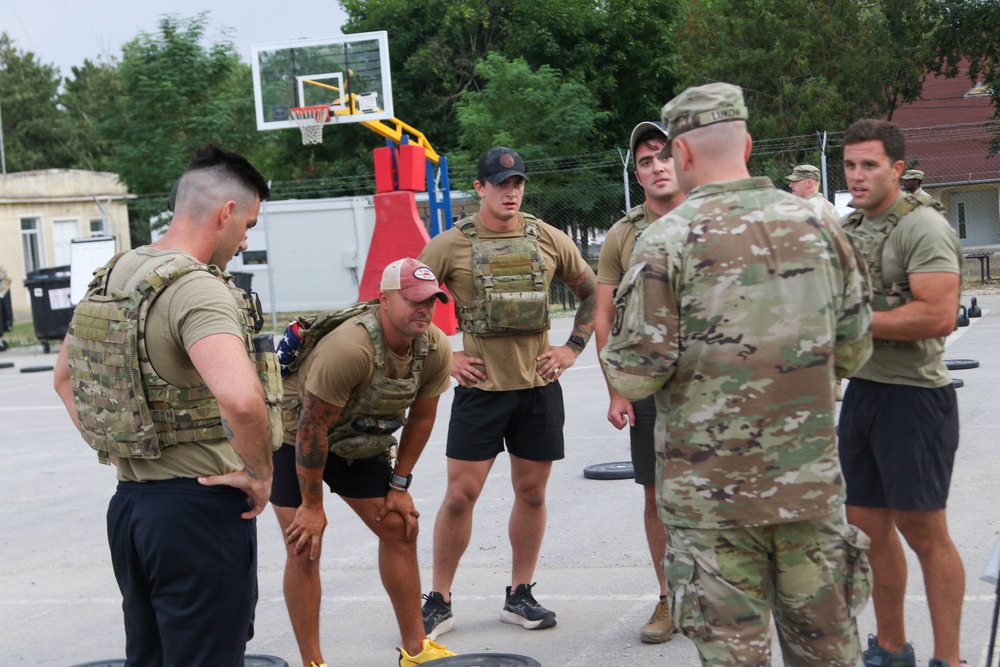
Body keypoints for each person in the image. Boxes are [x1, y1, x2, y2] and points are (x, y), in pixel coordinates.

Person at [600, 83, 874, 666]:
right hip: (809, 494)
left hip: (711, 511)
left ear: (682, 156)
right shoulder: (822, 228)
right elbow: (852, 352)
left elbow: (632, 372)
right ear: (747, 144)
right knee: (829, 656)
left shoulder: (663, 242)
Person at [53, 145, 282, 666]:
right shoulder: (197, 290)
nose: (245, 239)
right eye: (247, 224)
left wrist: (116, 446)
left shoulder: (113, 275)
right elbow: (243, 402)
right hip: (198, 513)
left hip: (132, 509)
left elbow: (64, 378)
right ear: (225, 213)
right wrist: (261, 474)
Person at [418, 146, 597, 638]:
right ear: (479, 189)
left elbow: (593, 290)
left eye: (516, 183)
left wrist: (572, 348)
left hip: (538, 388)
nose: (510, 192)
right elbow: (401, 303)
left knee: (533, 493)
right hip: (482, 391)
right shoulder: (450, 244)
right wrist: (446, 357)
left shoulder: (547, 238)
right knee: (460, 496)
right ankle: (439, 600)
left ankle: (520, 595)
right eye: (500, 184)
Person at [275, 257, 457, 667]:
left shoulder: (434, 346)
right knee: (305, 545)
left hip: (358, 439)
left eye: (431, 300)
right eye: (413, 300)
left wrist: (400, 486)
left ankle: (416, 650)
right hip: (296, 439)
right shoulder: (350, 348)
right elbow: (310, 430)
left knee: (400, 528)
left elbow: (423, 418)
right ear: (385, 301)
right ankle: (312, 662)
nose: (424, 309)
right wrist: (312, 506)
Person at [839, 119, 965, 667]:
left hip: (914, 397)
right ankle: (892, 647)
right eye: (849, 165)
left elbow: (938, 315)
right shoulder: (848, 228)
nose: (858, 175)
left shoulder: (924, 228)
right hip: (863, 392)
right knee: (866, 533)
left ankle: (950, 659)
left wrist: (848, 323)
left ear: (896, 168)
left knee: (924, 530)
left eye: (870, 165)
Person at [594, 120, 684, 644]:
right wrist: (615, 388)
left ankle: (722, 594)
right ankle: (668, 597)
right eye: (646, 160)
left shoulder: (710, 218)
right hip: (648, 385)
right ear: (638, 172)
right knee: (655, 495)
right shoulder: (623, 234)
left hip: (711, 386)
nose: (656, 166)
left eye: (663, 155)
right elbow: (603, 315)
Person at [786, 163, 847, 400]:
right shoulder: (828, 206)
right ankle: (835, 384)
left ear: (809, 182)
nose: (790, 184)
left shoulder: (808, 209)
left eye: (795, 180)